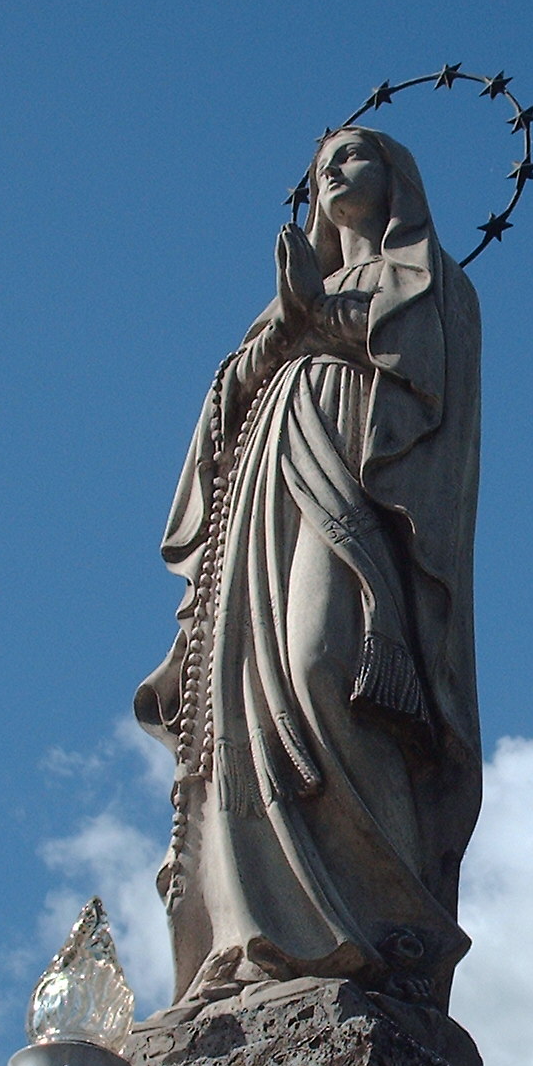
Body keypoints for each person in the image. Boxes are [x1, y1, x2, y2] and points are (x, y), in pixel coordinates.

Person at [135, 128, 481, 1012]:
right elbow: (226, 405)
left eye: (353, 157)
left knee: (323, 666)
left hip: (355, 495)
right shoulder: (288, 300)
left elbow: (424, 378)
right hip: (262, 507)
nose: (332, 173)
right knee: (241, 706)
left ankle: (383, 923)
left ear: (399, 180)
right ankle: (252, 936)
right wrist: (290, 322)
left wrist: (319, 318)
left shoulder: (430, 280)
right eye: (323, 165)